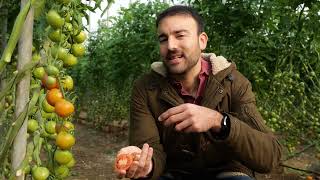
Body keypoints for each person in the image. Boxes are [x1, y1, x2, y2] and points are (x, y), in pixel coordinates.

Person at [114, 5, 282, 180]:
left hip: (228, 172)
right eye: (163, 39)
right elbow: (149, 146)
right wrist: (147, 164)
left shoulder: (233, 82)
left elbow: (270, 156)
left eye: (180, 35)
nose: (171, 46)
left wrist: (219, 121)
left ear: (202, 40)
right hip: (174, 172)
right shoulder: (146, 88)